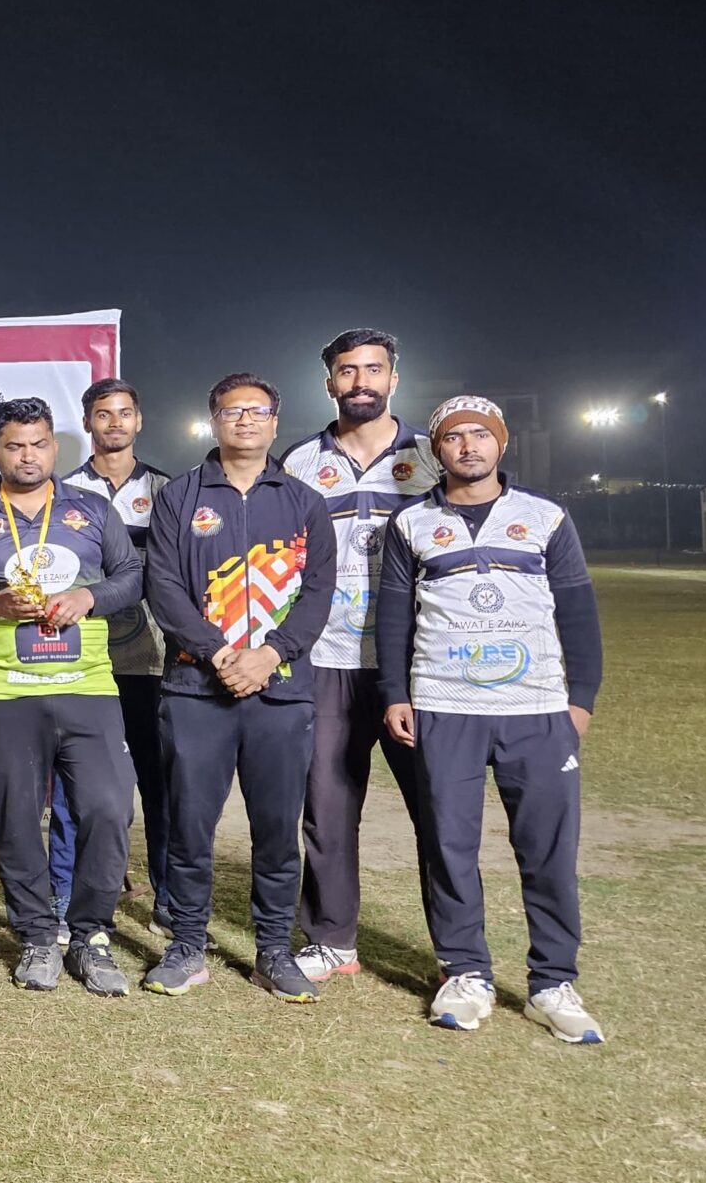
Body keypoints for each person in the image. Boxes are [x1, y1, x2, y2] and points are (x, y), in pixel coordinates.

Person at [378, 395, 606, 1044]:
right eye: (454, 437)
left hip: (535, 707)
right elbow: (392, 616)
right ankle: (465, 973)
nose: (468, 446)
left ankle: (552, 982)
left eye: (481, 434)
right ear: (437, 450)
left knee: (548, 849)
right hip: (445, 705)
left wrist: (580, 699)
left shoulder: (544, 516)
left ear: (501, 444)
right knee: (449, 846)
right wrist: (395, 692)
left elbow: (578, 612)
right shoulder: (412, 523)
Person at [141, 372, 336, 1003]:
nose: (245, 420)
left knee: (276, 830)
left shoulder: (304, 502)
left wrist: (271, 654)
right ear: (214, 421)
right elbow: (163, 587)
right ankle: (186, 945)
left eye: (256, 411)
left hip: (280, 693)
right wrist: (221, 653)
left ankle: (274, 950)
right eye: (232, 411)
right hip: (197, 690)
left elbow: (319, 593)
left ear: (275, 422)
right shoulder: (180, 496)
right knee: (189, 827)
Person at [0, 397, 143, 996]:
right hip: (7, 689)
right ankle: (35, 936)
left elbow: (132, 576)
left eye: (38, 444)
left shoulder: (92, 510)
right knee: (18, 819)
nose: (27, 456)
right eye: (14, 446)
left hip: (86, 685)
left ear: (55, 447)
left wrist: (88, 598)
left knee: (108, 809)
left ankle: (91, 934)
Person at [279, 327, 440, 984]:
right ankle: (331, 937)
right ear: (330, 383)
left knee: (438, 807)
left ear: (394, 378)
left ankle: (456, 951)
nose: (361, 381)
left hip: (418, 662)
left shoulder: (432, 456)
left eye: (374, 369)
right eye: (348, 371)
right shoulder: (298, 460)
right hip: (327, 657)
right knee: (327, 804)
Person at [61, 378, 173, 933]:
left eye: (124, 413)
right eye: (103, 414)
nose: (114, 423)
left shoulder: (167, 490)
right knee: (82, 786)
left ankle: (167, 898)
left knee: (159, 782)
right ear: (88, 422)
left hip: (151, 656)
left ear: (139, 421)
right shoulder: (65, 491)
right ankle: (80, 890)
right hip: (83, 658)